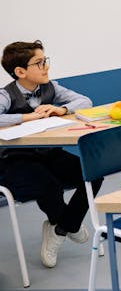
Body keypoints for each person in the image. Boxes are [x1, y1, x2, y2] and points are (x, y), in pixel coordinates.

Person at [0, 40, 100, 268]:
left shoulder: (51, 87)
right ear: (20, 71)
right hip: (14, 161)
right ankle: (64, 222)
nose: (46, 66)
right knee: (49, 185)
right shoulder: (6, 95)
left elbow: (85, 101)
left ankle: (62, 228)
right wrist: (26, 117)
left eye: (46, 60)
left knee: (93, 173)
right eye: (39, 62)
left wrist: (61, 109)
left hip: (48, 152)